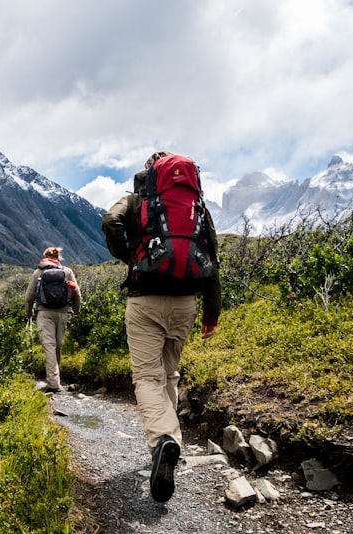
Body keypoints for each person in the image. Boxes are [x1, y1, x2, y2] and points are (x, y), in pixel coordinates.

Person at [101, 151, 221, 503]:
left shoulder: (138, 200)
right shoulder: (196, 206)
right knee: (169, 374)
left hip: (145, 299)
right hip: (186, 303)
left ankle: (163, 441)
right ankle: (169, 443)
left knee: (147, 377)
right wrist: (211, 315)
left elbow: (110, 222)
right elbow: (212, 257)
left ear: (150, 173)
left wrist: (130, 256)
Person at [24, 246, 81, 393]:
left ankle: (54, 383)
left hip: (44, 313)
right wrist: (76, 310)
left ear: (45, 257)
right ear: (59, 258)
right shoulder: (67, 271)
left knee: (49, 346)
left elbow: (29, 296)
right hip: (62, 313)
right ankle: (55, 379)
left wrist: (29, 312)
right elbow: (77, 292)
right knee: (58, 345)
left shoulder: (38, 272)